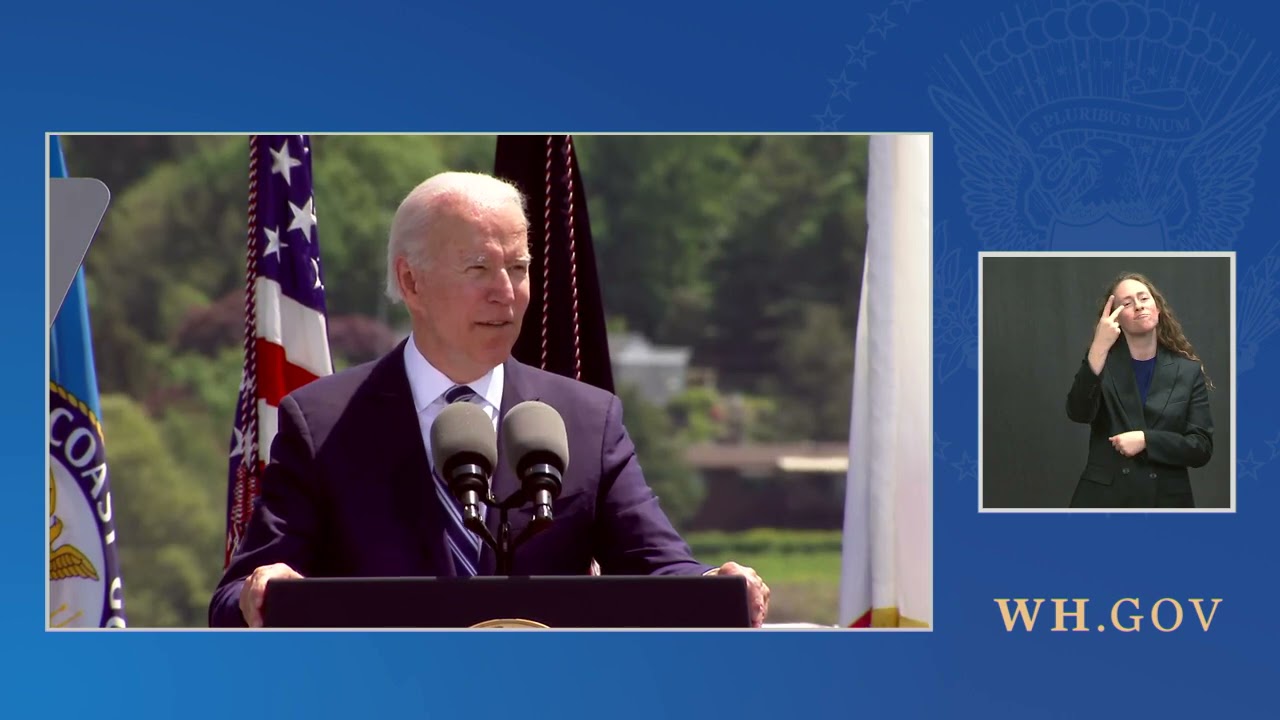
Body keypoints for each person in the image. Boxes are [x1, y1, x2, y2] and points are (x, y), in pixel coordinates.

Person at [209, 171, 770, 627]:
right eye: (479, 268)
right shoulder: (323, 422)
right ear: (411, 283)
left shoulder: (585, 420)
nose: (506, 291)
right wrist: (264, 592)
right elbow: (236, 596)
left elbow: (658, 565)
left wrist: (713, 587)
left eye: (518, 267)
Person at [1065, 272, 1214, 508]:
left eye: (1143, 298)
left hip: (1165, 500)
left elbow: (1201, 447)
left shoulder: (1188, 371)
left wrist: (1147, 440)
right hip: (1104, 499)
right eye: (1126, 303)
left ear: (1157, 307)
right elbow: (1078, 412)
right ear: (1116, 318)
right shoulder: (1101, 359)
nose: (1138, 306)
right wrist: (1098, 347)